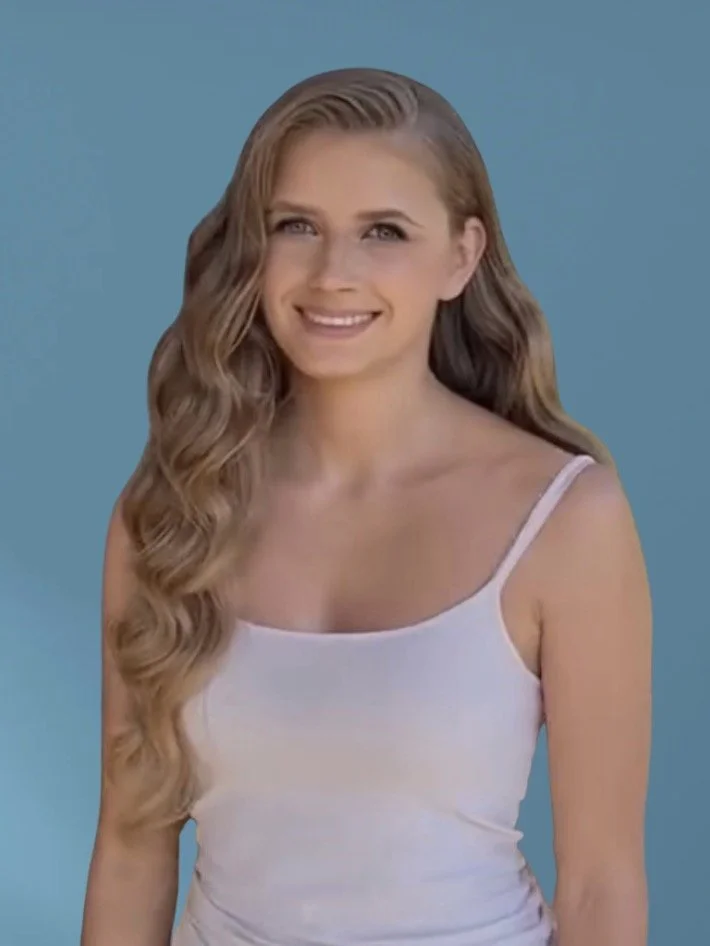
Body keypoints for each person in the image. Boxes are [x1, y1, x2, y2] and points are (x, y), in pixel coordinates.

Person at [80, 68, 652, 946]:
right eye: (295, 226)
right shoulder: (173, 508)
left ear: (460, 256)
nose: (332, 273)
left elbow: (601, 888)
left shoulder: (565, 520)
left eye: (383, 231)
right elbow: (130, 849)